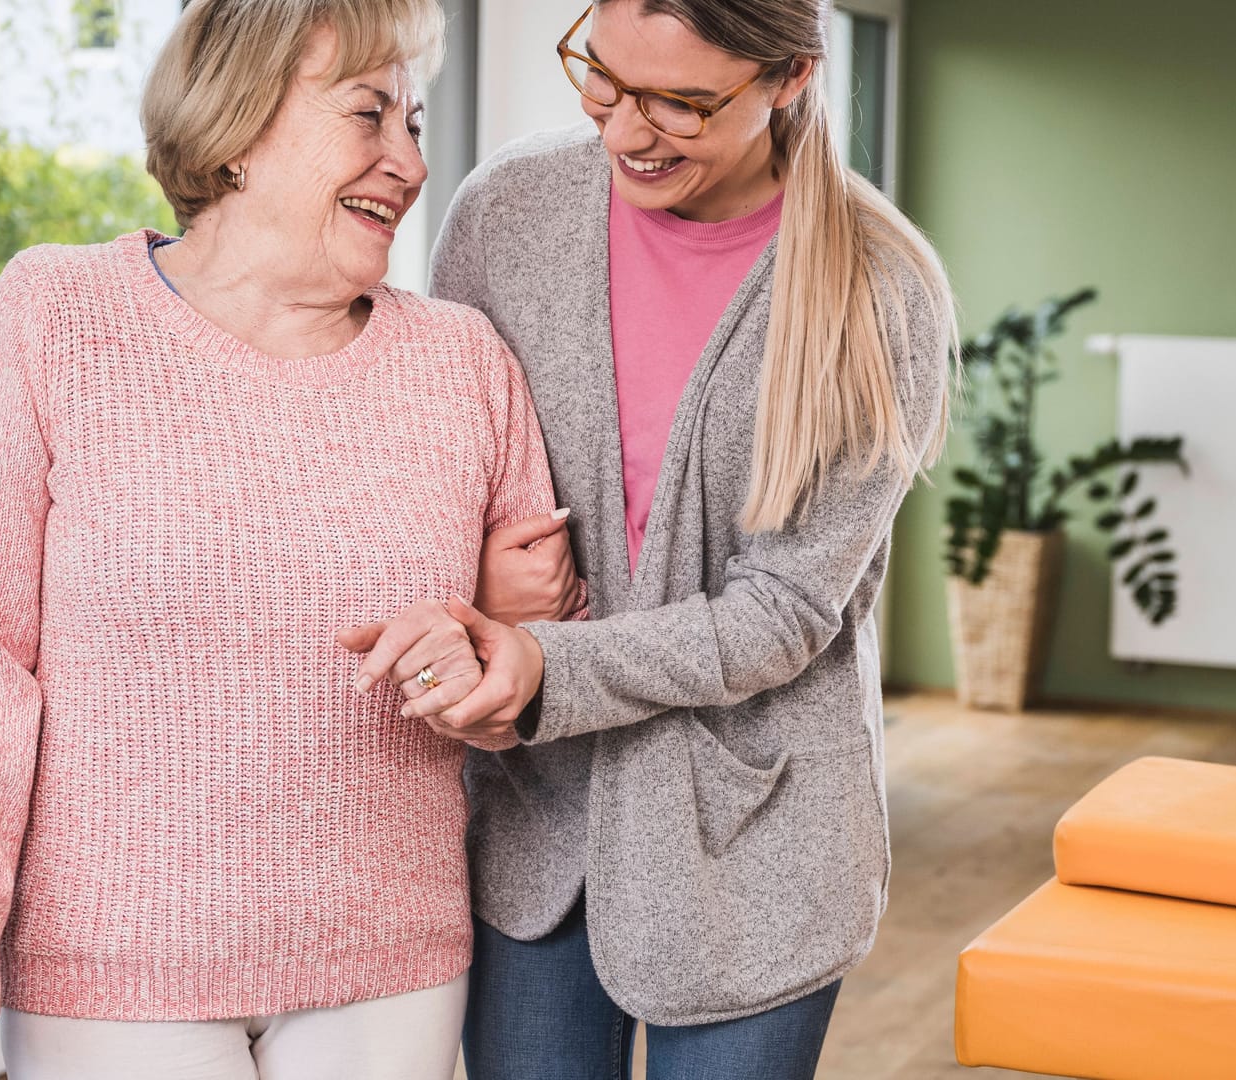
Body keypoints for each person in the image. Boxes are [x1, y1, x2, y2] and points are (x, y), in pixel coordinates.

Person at [0, 1, 582, 1077]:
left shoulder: (463, 362)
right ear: (240, 124)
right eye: (369, 114)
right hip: (112, 970)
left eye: (417, 123)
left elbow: (540, 681)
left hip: (388, 961)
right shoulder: (55, 319)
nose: (408, 162)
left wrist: (495, 653)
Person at [343, 2, 956, 1077]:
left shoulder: (877, 288)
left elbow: (786, 614)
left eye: (681, 101)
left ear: (788, 79)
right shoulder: (506, 213)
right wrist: (477, 578)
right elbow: (444, 466)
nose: (626, 130)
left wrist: (543, 663)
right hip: (540, 837)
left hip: (757, 851)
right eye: (604, 78)